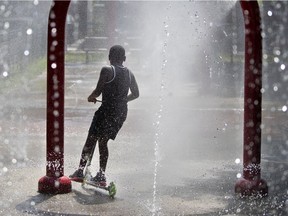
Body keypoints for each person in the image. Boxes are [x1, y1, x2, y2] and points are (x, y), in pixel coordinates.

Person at [69, 45, 139, 186]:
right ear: (124, 58)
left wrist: (91, 97)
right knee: (103, 141)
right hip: (121, 112)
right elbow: (136, 94)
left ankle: (80, 171)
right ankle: (101, 175)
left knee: (91, 139)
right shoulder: (130, 73)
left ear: (109, 57)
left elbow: (98, 91)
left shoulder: (107, 70)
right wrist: (123, 99)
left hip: (106, 110)